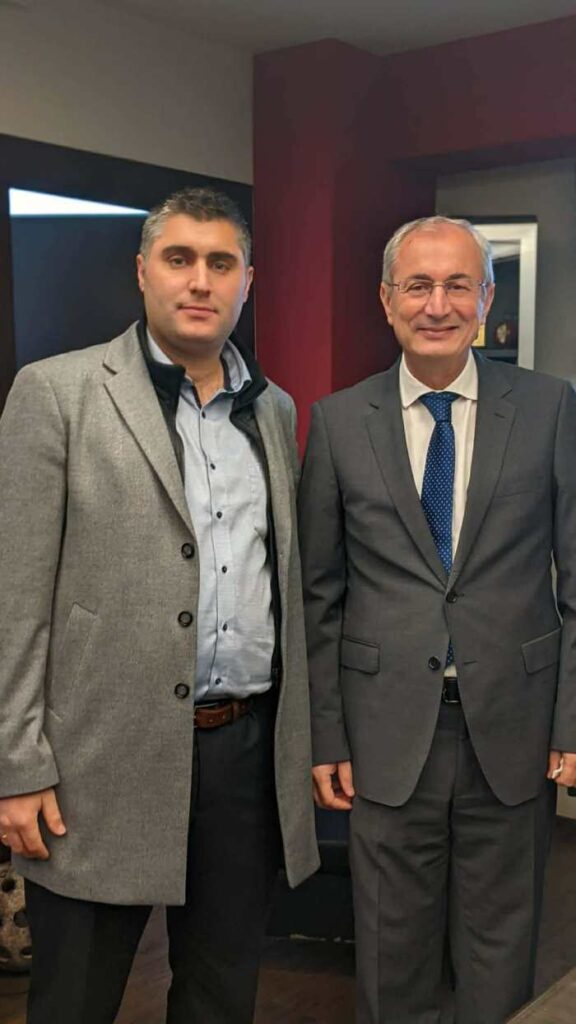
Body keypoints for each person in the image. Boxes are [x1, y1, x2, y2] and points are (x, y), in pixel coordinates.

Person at [0, 186, 319, 1024]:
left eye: (221, 263)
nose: (200, 281)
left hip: (242, 755)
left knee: (221, 995)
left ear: (248, 281)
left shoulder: (273, 410)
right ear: (143, 271)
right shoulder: (58, 393)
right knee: (75, 1000)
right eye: (179, 259)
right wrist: (18, 767)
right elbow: (15, 601)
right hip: (97, 759)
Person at [298, 215, 576, 1024]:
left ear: (486, 298)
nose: (437, 304)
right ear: (386, 300)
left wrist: (571, 720)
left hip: (515, 731)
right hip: (384, 736)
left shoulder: (551, 409)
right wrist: (326, 736)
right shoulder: (339, 421)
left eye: (458, 284)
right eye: (417, 285)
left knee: (501, 956)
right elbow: (319, 593)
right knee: (392, 960)